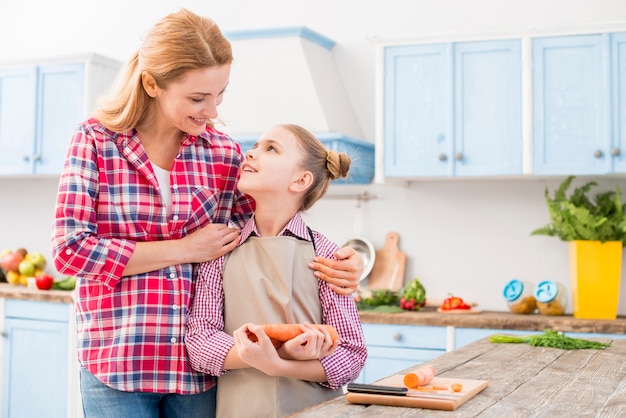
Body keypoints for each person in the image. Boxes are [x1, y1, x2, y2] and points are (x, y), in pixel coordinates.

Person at [50, 9, 363, 418]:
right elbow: (70, 251)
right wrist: (182, 249)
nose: (213, 111)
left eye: (220, 94)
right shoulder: (95, 140)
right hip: (119, 361)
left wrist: (345, 265)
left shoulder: (221, 151)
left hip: (199, 372)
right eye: (198, 98)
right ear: (151, 84)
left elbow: (269, 231)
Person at [185, 124, 368, 418]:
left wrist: (278, 366)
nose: (252, 153)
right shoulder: (221, 253)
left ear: (300, 180)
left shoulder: (326, 255)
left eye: (271, 148)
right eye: (256, 145)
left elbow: (351, 354)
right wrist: (279, 352)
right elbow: (200, 343)